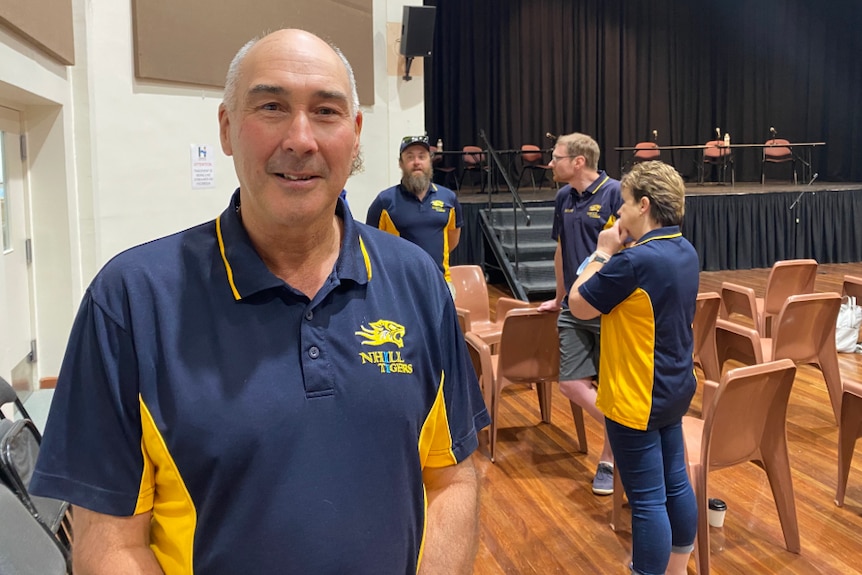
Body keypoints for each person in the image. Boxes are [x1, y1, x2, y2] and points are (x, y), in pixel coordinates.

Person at [30, 29, 489, 575]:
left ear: (355, 133)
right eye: (271, 106)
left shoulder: (416, 281)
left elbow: (453, 478)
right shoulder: (130, 300)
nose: (300, 138)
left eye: (325, 111)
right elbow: (108, 540)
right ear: (226, 128)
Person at [568, 160, 699, 575]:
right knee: (675, 483)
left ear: (643, 205)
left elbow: (579, 302)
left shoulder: (633, 262)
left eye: (623, 204)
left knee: (646, 499)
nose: (617, 214)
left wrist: (602, 251)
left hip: (636, 394)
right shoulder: (684, 249)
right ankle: (677, 567)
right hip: (673, 387)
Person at [536, 132, 622, 495]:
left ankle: (609, 461)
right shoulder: (563, 197)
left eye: (556, 157)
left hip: (610, 306)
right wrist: (558, 296)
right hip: (573, 305)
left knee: (610, 387)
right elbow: (561, 249)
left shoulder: (616, 193)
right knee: (571, 383)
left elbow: (627, 249)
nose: (550, 163)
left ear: (579, 161)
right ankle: (627, 432)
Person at [366, 136, 463, 298]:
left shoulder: (449, 199)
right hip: (398, 288)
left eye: (422, 156)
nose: (416, 162)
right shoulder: (384, 202)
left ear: (430, 161)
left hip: (440, 285)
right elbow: (370, 246)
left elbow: (452, 239)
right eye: (410, 157)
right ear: (401, 163)